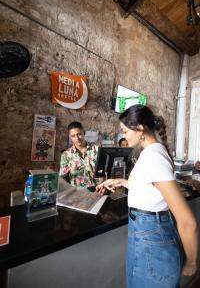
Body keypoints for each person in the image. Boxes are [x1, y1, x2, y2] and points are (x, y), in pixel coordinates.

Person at [96, 104, 198, 288]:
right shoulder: (150, 153)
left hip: (151, 238)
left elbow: (187, 222)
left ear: (140, 129)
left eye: (125, 131)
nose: (124, 136)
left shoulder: (154, 157)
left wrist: (191, 262)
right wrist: (122, 182)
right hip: (144, 234)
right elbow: (151, 187)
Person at [59, 121, 99, 190]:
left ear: (84, 132)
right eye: (73, 136)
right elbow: (62, 176)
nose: (77, 138)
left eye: (79, 134)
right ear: (70, 137)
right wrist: (68, 190)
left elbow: (103, 172)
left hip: (97, 191)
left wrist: (101, 186)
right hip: (77, 194)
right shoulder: (66, 155)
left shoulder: (97, 150)